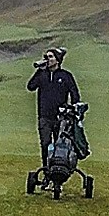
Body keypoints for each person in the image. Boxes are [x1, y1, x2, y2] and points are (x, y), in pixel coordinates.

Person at [26, 45, 86, 177]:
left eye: (50, 57)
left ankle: (61, 170)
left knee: (61, 145)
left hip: (61, 117)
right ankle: (47, 172)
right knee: (45, 144)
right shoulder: (42, 75)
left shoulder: (65, 76)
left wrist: (73, 108)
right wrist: (39, 71)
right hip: (44, 117)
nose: (47, 59)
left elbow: (74, 93)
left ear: (57, 60)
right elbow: (30, 86)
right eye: (46, 57)